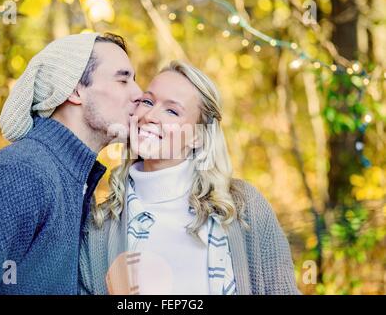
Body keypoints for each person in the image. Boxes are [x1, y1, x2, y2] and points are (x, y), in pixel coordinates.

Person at [0, 32, 142, 294]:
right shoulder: (20, 174)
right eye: (123, 80)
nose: (138, 93)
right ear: (75, 90)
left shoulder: (75, 180)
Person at [79, 60, 300, 295]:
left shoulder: (243, 207)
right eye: (147, 101)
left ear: (197, 137)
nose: (150, 116)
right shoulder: (99, 227)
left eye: (172, 111)